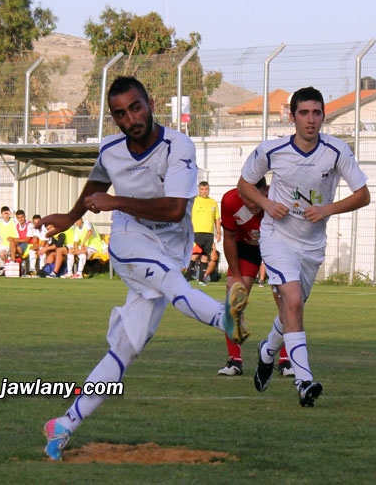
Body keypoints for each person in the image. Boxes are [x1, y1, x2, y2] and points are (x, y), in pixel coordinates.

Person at [38, 76, 250, 460]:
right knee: (171, 283)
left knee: (125, 349)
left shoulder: (178, 145)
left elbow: (172, 209)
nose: (130, 118)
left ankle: (63, 424)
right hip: (128, 241)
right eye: (120, 114)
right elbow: (95, 186)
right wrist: (71, 218)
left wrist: (116, 202)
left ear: (150, 103)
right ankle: (225, 321)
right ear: (114, 118)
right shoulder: (111, 149)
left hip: (171, 245)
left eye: (135, 107)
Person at [238, 86, 370, 407]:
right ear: (292, 116)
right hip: (277, 237)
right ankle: (304, 382)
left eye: (316, 113)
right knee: (293, 300)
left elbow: (363, 194)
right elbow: (244, 186)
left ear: (324, 115)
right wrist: (267, 204)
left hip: (312, 246)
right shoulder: (273, 150)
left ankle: (267, 352)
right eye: (304, 113)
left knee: (291, 311)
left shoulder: (337, 150)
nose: (311, 120)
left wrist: (327, 209)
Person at [217, 180, 292, 377]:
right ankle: (235, 361)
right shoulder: (229, 200)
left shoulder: (278, 199)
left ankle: (286, 360)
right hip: (246, 251)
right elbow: (229, 237)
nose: (250, 203)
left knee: (288, 304)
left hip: (276, 249)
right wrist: (235, 275)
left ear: (265, 191)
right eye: (245, 197)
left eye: (254, 197)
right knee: (233, 301)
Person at [188, 181, 221, 286]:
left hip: (209, 234)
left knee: (205, 257)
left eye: (206, 189)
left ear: (209, 189)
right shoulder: (194, 201)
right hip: (196, 233)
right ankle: (187, 279)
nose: (204, 191)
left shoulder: (213, 202)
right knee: (194, 256)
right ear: (199, 190)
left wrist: (219, 232)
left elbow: (217, 218)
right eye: (202, 189)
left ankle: (201, 280)